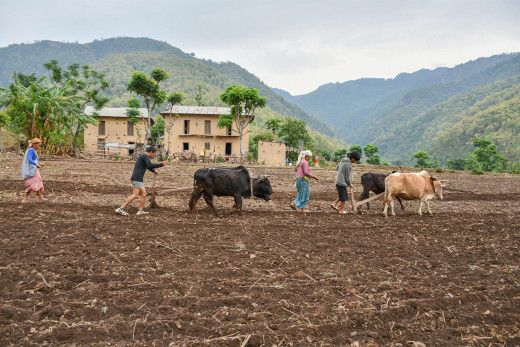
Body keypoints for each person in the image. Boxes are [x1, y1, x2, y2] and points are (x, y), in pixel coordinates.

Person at [115, 146, 167, 216]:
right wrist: (162, 164)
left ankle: (140, 210)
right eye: (153, 154)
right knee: (135, 195)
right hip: (137, 178)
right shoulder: (145, 156)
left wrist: (154, 170)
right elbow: (150, 165)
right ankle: (121, 208)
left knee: (144, 194)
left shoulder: (143, 156)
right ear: (151, 152)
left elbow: (148, 166)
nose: (153, 155)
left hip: (138, 178)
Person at [21, 138, 47, 203]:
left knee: (33, 184)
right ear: (34, 145)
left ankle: (26, 199)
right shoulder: (31, 150)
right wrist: (36, 164)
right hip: (32, 171)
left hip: (34, 170)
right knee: (34, 183)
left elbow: (33, 160)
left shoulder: (32, 150)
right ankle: (40, 198)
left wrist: (39, 164)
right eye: (39, 145)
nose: (39, 147)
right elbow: (30, 160)